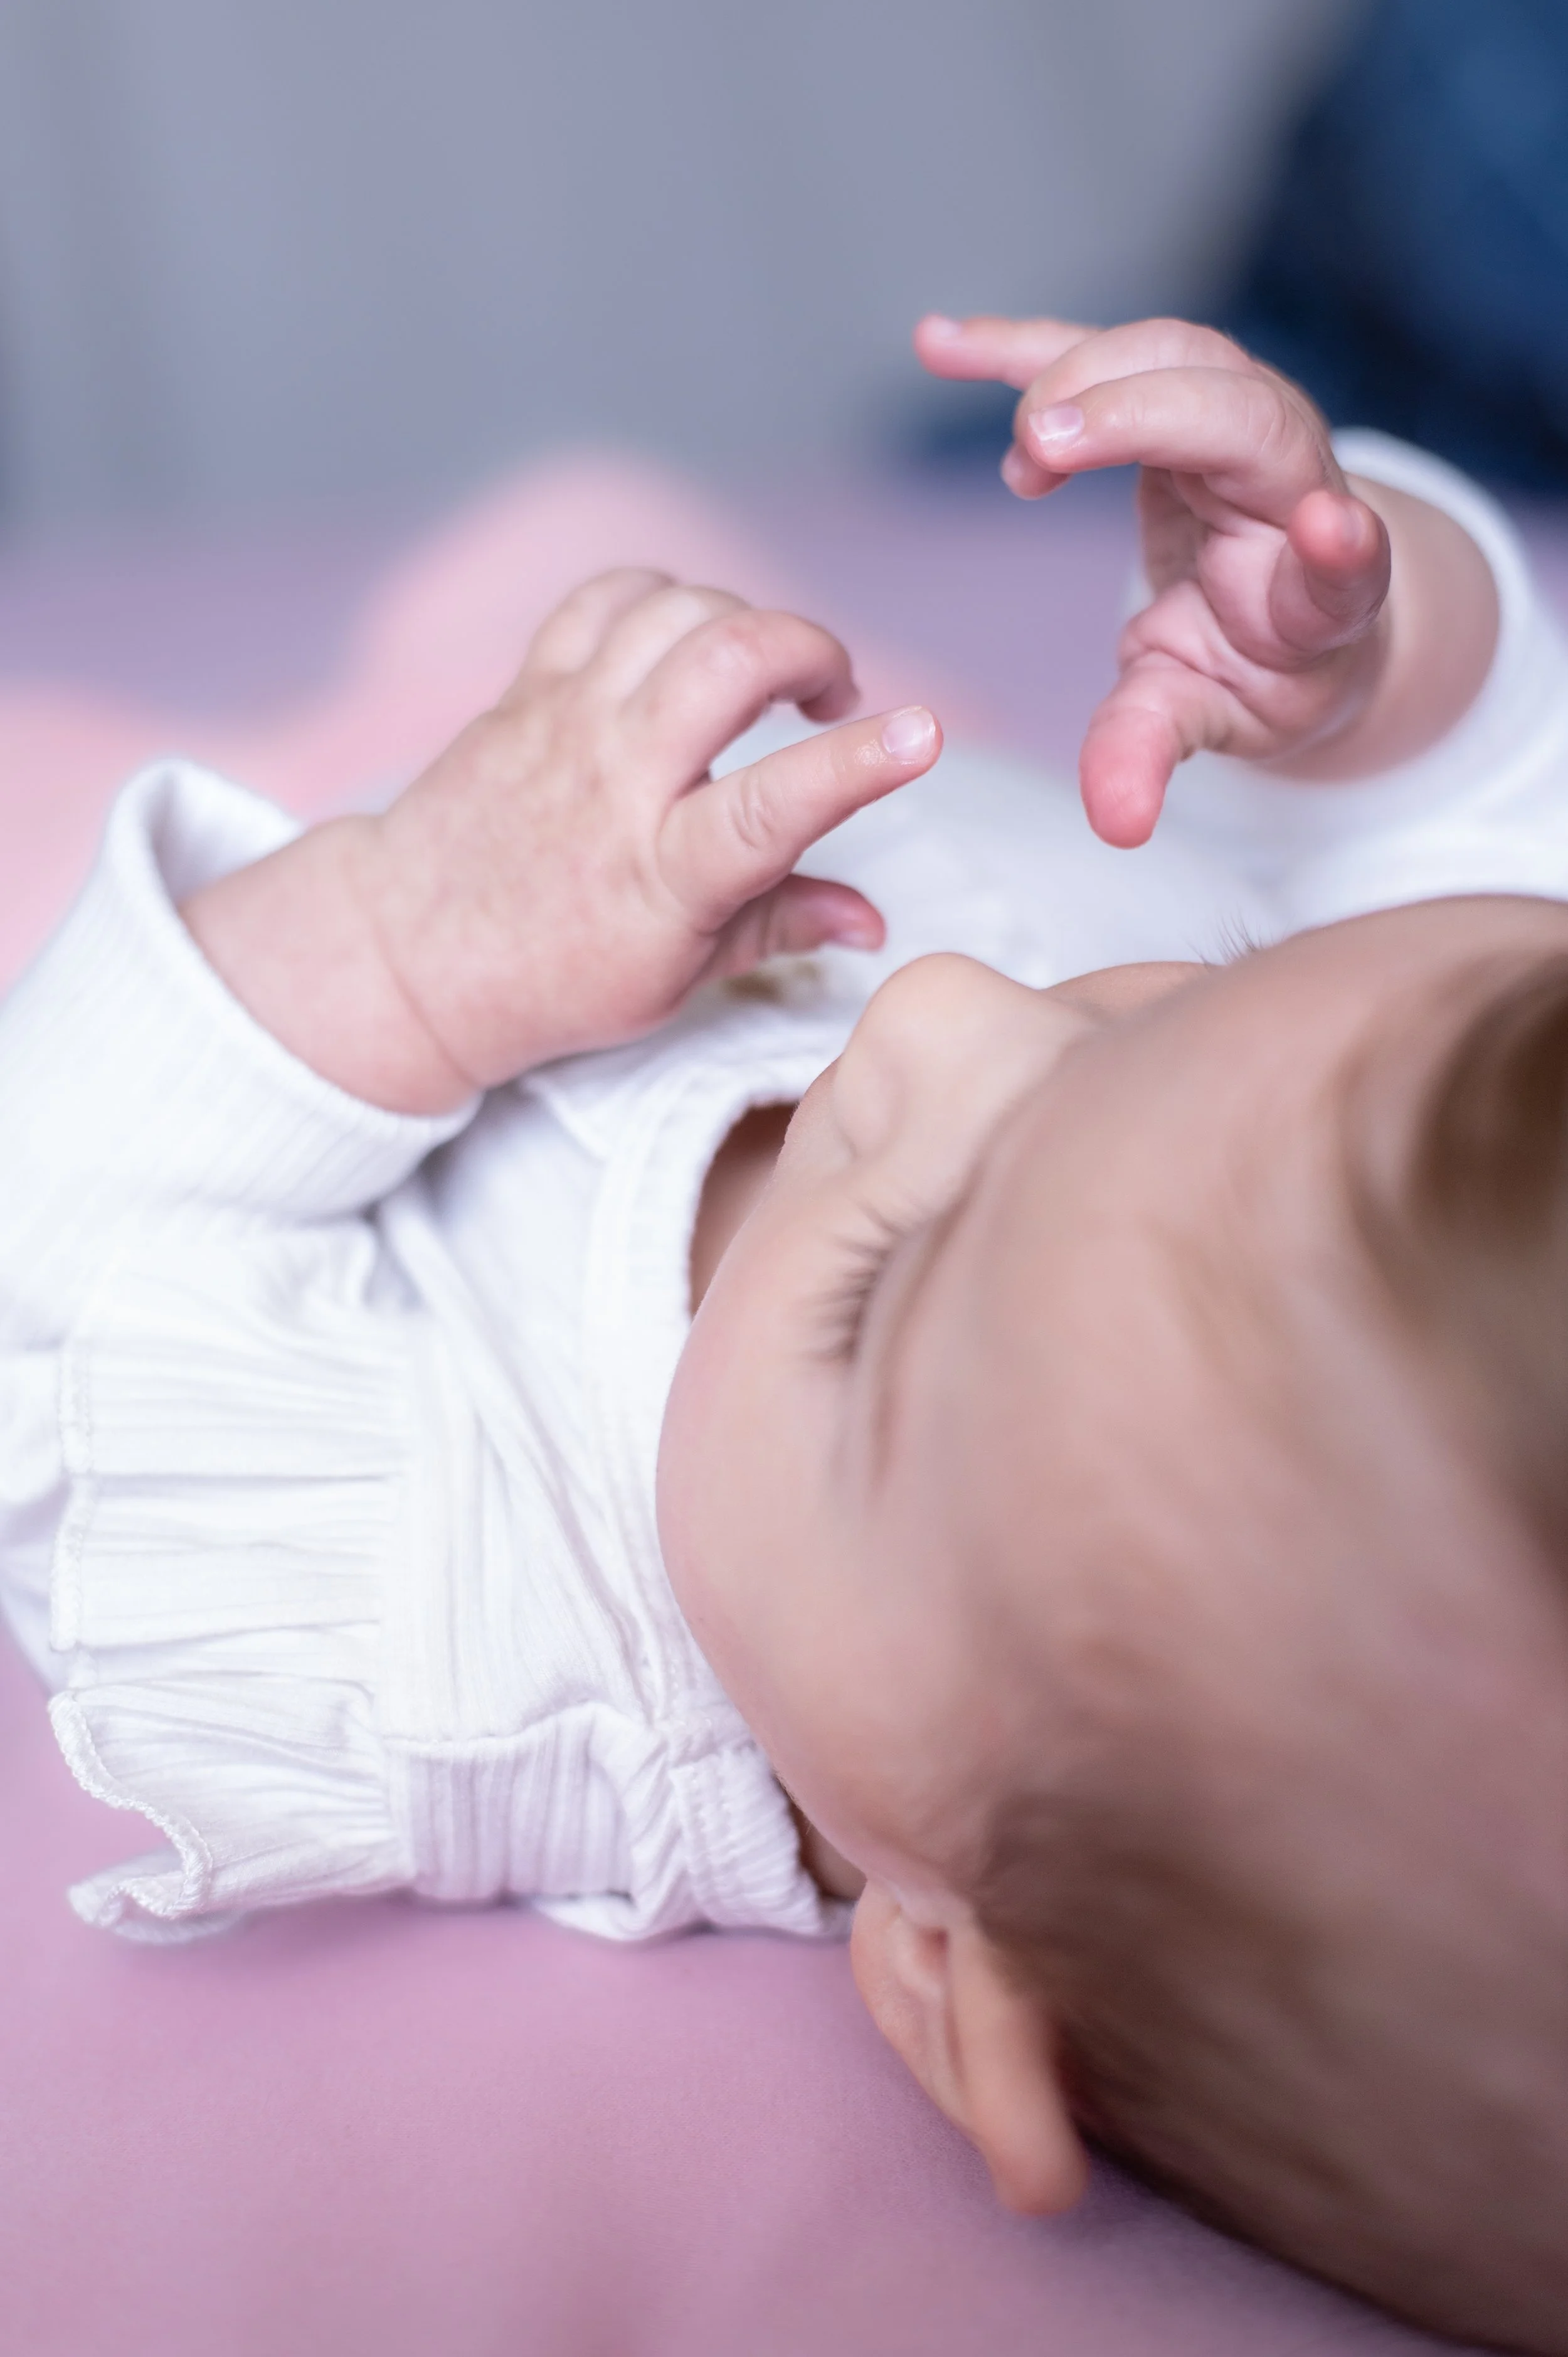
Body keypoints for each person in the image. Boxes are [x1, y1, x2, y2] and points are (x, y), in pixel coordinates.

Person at [1, 315, 1564, 2353]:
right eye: (1174, 1003)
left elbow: (67, 1270)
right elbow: (1459, 845)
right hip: (722, 756)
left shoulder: (494, 1643)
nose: (942, 1017)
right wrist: (1352, 662)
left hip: (282, 936)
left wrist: (399, 938)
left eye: (886, 1288)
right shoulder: (1332, 1217)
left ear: (945, 1969)